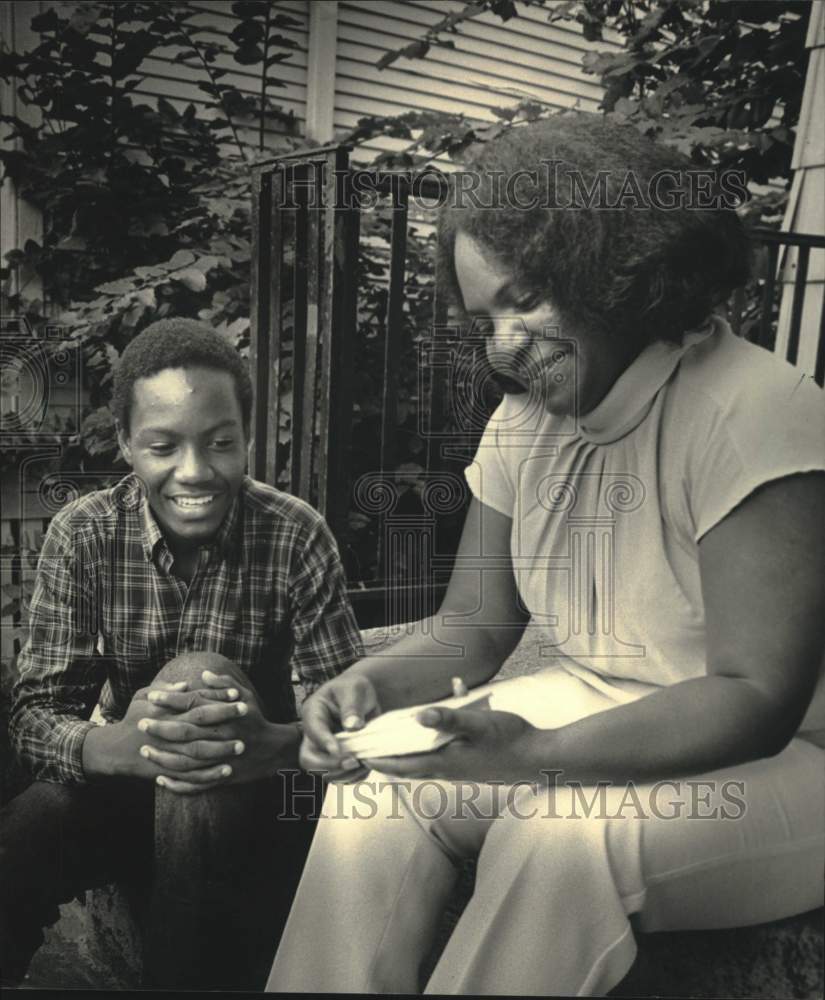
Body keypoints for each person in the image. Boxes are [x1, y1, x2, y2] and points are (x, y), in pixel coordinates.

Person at [266, 113, 825, 995]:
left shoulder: (754, 411)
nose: (502, 347)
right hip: (589, 700)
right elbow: (472, 627)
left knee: (555, 836)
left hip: (786, 760)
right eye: (483, 316)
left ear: (613, 272)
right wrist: (365, 687)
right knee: (379, 780)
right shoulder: (523, 423)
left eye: (525, 299)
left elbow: (755, 698)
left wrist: (535, 756)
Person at [0, 319, 364, 988]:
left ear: (247, 439)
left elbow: (345, 727)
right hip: (129, 797)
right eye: (163, 446)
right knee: (33, 823)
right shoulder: (82, 536)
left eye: (221, 443)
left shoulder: (294, 535)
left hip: (262, 805)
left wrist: (269, 744)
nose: (194, 471)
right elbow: (34, 717)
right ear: (125, 445)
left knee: (201, 682)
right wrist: (122, 746)